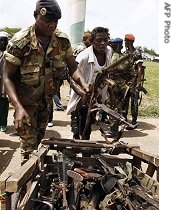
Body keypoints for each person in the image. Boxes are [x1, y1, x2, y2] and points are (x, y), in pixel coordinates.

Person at [3, 0, 89, 163]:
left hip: (46, 104)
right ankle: (26, 185)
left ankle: (36, 178)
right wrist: (18, 107)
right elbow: (7, 77)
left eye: (55, 22)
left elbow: (73, 67)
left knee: (38, 142)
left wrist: (83, 84)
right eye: (47, 21)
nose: (52, 25)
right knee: (29, 150)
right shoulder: (20, 42)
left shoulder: (62, 40)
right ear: (36, 16)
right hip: (26, 105)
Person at [66, 26, 112, 140]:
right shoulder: (84, 57)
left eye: (105, 40)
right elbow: (71, 77)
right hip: (82, 96)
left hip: (97, 96)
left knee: (88, 125)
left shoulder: (109, 52)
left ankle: (85, 147)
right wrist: (83, 93)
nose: (102, 43)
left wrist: (110, 96)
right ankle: (77, 148)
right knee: (79, 127)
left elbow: (106, 75)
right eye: (98, 40)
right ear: (92, 41)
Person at [121, 34, 144, 129]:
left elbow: (139, 68)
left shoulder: (136, 53)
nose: (126, 43)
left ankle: (134, 121)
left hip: (134, 81)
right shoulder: (125, 52)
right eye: (125, 41)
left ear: (131, 42)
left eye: (127, 41)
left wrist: (138, 82)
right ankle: (124, 119)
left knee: (134, 101)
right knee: (124, 100)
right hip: (126, 81)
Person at [105, 37, 125, 138]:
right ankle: (114, 128)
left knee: (113, 107)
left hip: (114, 86)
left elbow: (110, 70)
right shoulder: (123, 56)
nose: (110, 45)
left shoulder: (115, 57)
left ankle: (113, 130)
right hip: (121, 85)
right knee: (117, 107)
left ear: (117, 45)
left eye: (112, 44)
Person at [0, 31, 9, 132]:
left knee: (4, 103)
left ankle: (3, 124)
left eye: (4, 40)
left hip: (5, 83)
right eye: (0, 40)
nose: (2, 42)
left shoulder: (10, 53)